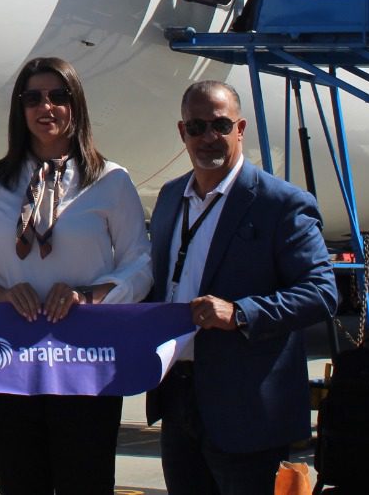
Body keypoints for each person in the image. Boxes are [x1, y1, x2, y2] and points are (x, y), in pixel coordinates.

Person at [0, 57, 153, 495]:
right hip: (8, 359)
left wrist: (90, 296)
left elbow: (140, 262)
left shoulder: (110, 180)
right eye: (33, 98)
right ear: (20, 109)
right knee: (19, 482)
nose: (45, 107)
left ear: (75, 104)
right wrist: (2, 295)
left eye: (58, 96)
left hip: (84, 360)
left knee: (86, 482)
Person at [145, 80, 338, 495]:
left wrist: (241, 313)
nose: (208, 137)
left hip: (246, 409)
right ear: (182, 132)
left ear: (241, 128)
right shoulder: (170, 197)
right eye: (197, 127)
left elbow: (322, 292)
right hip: (178, 398)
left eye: (220, 125)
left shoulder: (279, 203)